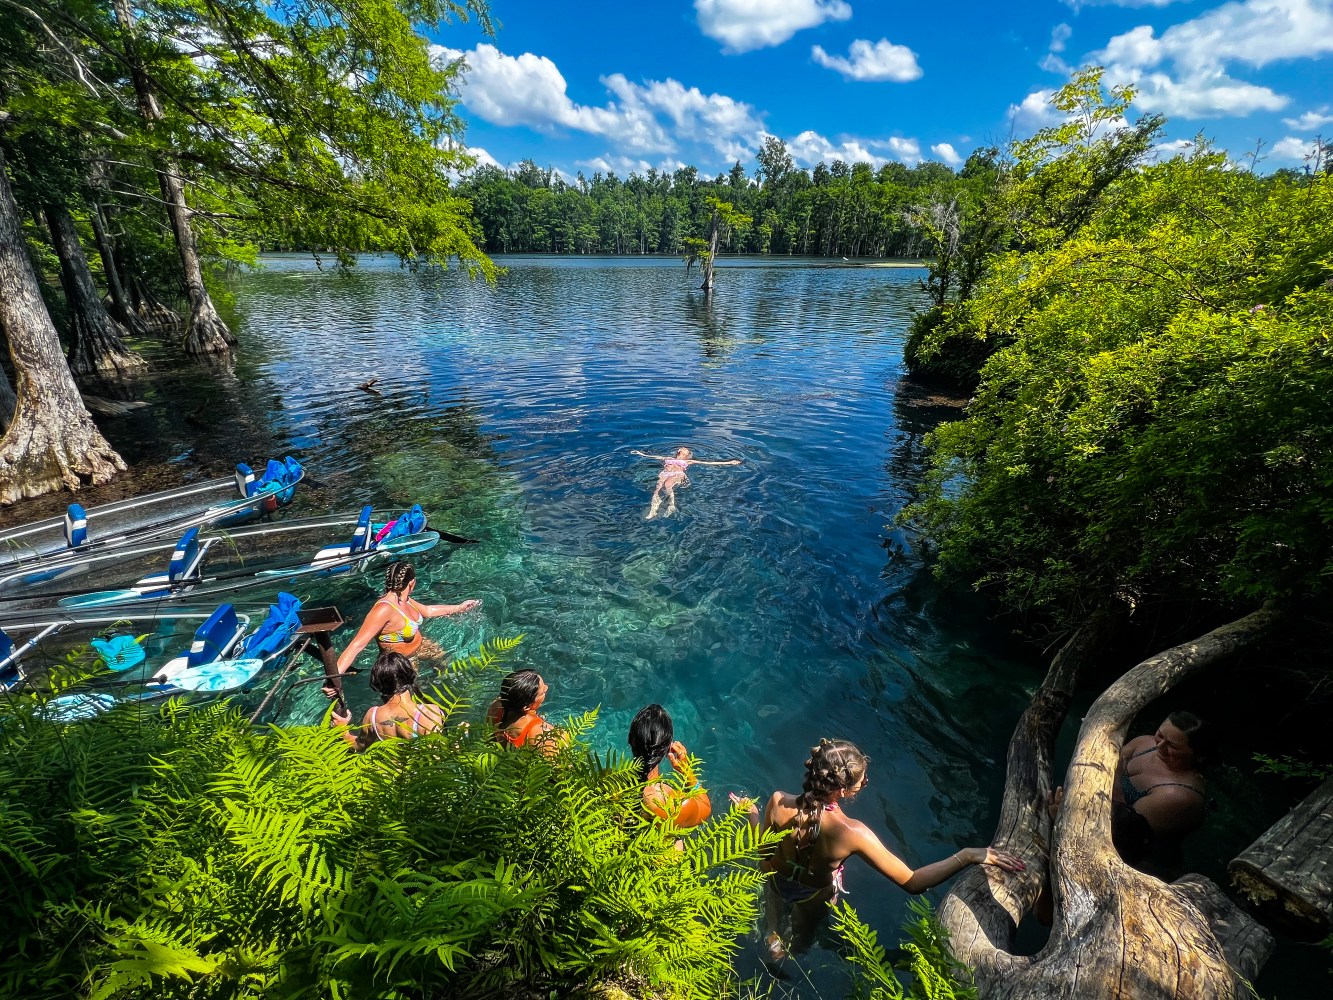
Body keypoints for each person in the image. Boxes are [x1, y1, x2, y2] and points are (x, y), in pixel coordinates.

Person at [760, 738, 1025, 961]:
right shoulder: (852, 833)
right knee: (802, 940)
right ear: (842, 790)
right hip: (811, 896)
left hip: (775, 879)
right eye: (862, 782)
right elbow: (912, 882)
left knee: (774, 906)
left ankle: (771, 933)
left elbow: (762, 853)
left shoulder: (777, 801)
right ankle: (787, 956)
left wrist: (752, 815)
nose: (864, 784)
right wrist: (968, 855)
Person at [326, 562, 480, 693]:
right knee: (414, 695)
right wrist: (333, 678)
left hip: (423, 646)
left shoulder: (404, 599)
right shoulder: (384, 609)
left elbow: (427, 611)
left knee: (451, 672)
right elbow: (357, 645)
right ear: (412, 582)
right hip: (402, 661)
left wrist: (459, 607)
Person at [330, 651, 444, 750]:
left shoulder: (372, 716)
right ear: (410, 675)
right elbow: (438, 755)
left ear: (378, 683)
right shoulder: (428, 713)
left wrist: (342, 729)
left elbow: (359, 746)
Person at [627, 704, 712, 828]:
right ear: (667, 749)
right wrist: (687, 772)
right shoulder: (670, 803)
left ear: (630, 739)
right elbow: (705, 807)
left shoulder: (611, 781)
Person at [630, 447, 742, 519]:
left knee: (668, 485)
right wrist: (640, 453)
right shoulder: (667, 458)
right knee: (657, 490)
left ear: (686, 454)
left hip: (678, 474)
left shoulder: (688, 461)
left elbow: (709, 463)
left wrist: (730, 462)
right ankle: (653, 511)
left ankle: (671, 505)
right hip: (665, 473)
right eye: (682, 448)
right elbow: (652, 456)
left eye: (685, 449)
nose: (683, 447)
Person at [486, 669, 558, 749]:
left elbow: (491, 738)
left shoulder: (496, 707)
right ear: (526, 707)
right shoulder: (542, 735)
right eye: (542, 692)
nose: (546, 688)